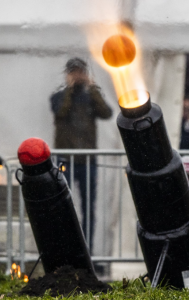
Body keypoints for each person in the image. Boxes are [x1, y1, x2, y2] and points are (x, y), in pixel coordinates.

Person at [50, 58, 112, 250]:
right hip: (65, 160)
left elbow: (107, 113)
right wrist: (69, 88)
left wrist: (93, 88)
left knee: (88, 208)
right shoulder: (58, 96)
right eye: (74, 72)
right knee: (63, 207)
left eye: (80, 72)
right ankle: (65, 249)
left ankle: (87, 251)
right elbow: (61, 111)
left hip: (87, 161)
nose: (78, 76)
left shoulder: (90, 97)